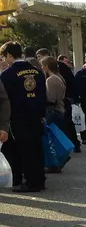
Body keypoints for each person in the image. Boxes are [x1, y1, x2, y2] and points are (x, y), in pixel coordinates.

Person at [0, 41, 46, 192]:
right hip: (36, 115)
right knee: (37, 147)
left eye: (4, 56)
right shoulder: (37, 72)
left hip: (18, 117)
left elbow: (5, 99)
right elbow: (42, 95)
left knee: (24, 150)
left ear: (10, 55)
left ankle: (31, 182)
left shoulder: (7, 75)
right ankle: (39, 179)